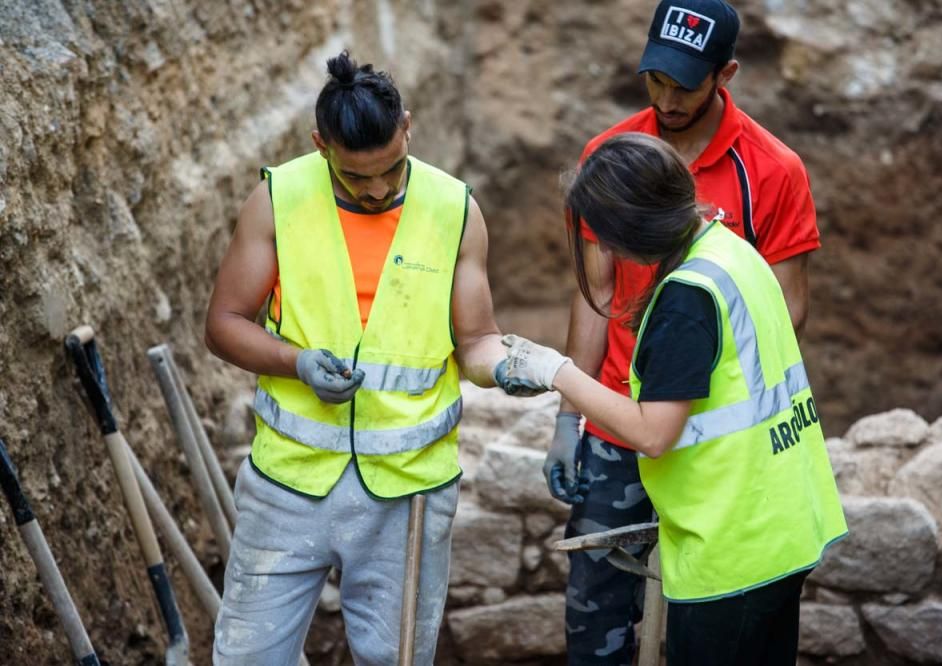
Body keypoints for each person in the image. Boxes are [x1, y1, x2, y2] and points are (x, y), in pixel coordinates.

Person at [204, 51, 537, 665]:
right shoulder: (278, 200)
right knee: (248, 656)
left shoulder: (452, 209)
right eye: (357, 178)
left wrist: (513, 367)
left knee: (396, 658)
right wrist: (295, 362)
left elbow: (476, 343)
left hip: (408, 495)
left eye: (391, 169)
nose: (379, 190)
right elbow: (223, 324)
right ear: (319, 144)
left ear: (407, 127)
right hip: (289, 482)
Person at [503, 132, 847, 666]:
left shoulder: (688, 298)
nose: (610, 252)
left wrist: (556, 372)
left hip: (733, 544)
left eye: (612, 238)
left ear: (640, 226)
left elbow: (652, 433)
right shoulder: (729, 251)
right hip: (781, 521)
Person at [548, 1, 823, 662]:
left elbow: (785, 313)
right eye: (656, 80)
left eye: (686, 84)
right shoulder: (608, 160)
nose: (667, 100)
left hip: (713, 445)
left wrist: (683, 373)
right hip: (620, 426)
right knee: (597, 624)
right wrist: (569, 419)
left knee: (712, 623)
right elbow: (597, 292)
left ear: (725, 73)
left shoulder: (773, 171)